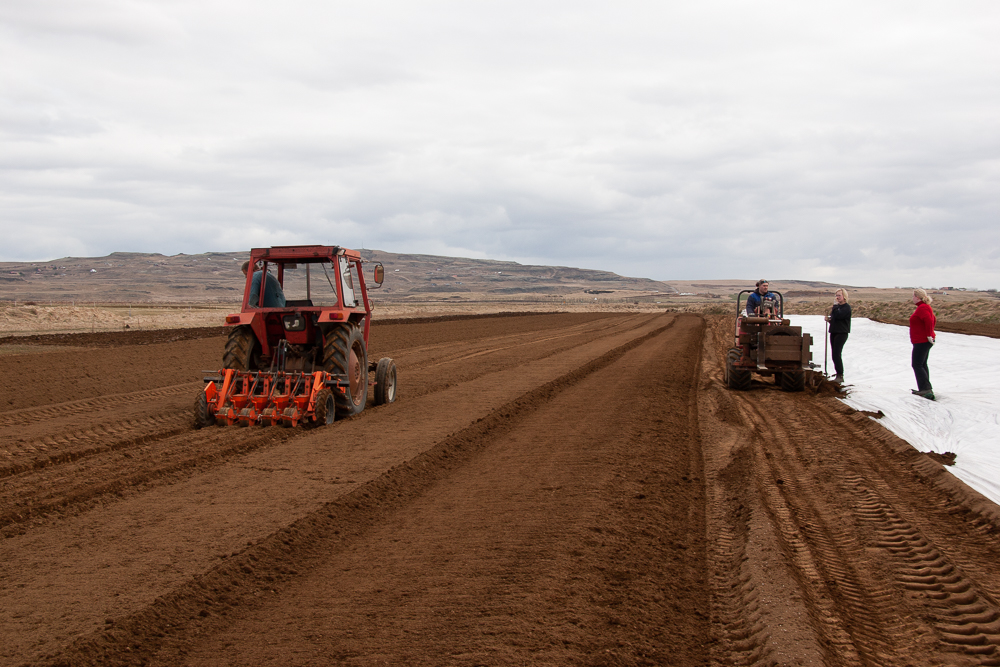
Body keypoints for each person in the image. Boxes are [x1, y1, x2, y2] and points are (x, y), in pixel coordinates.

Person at [909, 288, 936, 400]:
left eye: (913, 296)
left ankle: (926, 389)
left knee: (917, 364)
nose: (913, 298)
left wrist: (929, 335)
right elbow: (934, 319)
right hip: (923, 341)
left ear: (918, 297)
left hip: (922, 341)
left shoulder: (922, 308)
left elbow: (929, 320)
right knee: (922, 364)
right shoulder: (924, 307)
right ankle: (924, 389)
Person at [825, 288, 851, 383]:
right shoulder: (837, 308)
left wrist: (834, 308)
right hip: (834, 331)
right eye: (836, 295)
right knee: (834, 354)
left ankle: (840, 375)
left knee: (836, 353)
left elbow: (840, 316)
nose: (837, 297)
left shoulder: (846, 307)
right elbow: (835, 317)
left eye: (839, 295)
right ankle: (838, 374)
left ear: (844, 296)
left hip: (841, 333)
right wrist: (829, 320)